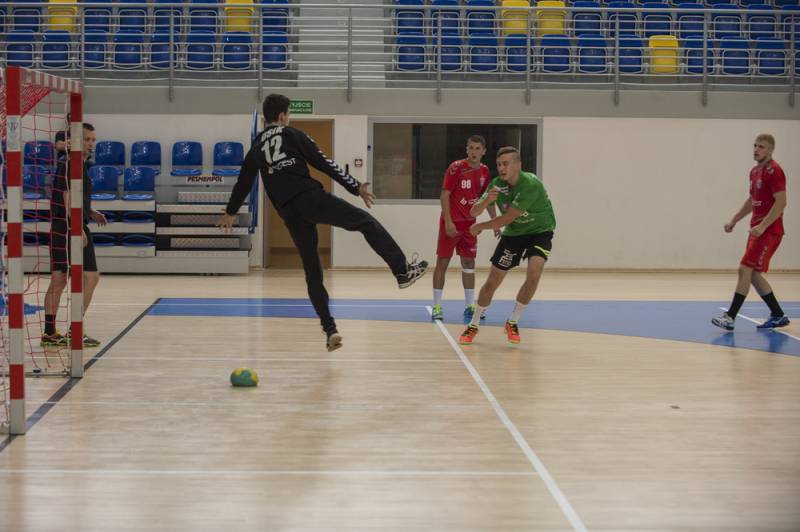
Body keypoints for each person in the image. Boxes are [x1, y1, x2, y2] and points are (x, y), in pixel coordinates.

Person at [216, 94, 428, 352]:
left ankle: (330, 330)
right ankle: (402, 270)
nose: (289, 118)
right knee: (365, 222)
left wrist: (230, 212)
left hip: (289, 212)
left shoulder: (256, 146)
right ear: (282, 116)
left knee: (312, 270)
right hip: (310, 199)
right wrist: (355, 187)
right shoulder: (293, 134)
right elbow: (324, 163)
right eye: (289, 114)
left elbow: (244, 182)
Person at [458, 146, 556, 346]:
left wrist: (480, 227)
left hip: (540, 232)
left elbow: (506, 218)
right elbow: (474, 212)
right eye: (499, 165)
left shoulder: (530, 184)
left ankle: (513, 321)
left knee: (534, 274)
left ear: (518, 165)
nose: (501, 168)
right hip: (514, 234)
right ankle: (474, 324)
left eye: (506, 164)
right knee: (493, 280)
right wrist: (487, 200)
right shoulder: (497, 184)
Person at [712, 134, 790, 331]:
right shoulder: (755, 171)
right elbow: (752, 200)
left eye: (761, 147)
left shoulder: (775, 171)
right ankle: (778, 314)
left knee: (744, 269)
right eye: (755, 146)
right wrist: (734, 219)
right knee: (753, 274)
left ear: (770, 150)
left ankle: (730, 317)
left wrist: (762, 226)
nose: (756, 149)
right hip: (757, 231)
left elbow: (781, 202)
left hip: (769, 231)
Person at [42, 123, 107, 348]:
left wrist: (91, 211)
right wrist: (78, 228)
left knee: (59, 279)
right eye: (86, 139)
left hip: (63, 226)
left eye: (93, 139)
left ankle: (49, 332)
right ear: (74, 141)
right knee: (91, 277)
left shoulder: (74, 163)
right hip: (70, 226)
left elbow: (73, 196)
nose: (91, 143)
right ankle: (75, 330)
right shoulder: (71, 163)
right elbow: (67, 198)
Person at [431, 135, 496, 323]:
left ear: (484, 151)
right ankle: (437, 306)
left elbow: (487, 198)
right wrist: (448, 222)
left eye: (477, 148)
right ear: (466, 149)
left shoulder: (484, 171)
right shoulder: (456, 168)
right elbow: (444, 195)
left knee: (469, 263)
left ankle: (469, 306)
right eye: (471, 148)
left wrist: (494, 222)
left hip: (470, 225)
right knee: (443, 262)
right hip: (452, 223)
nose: (474, 152)